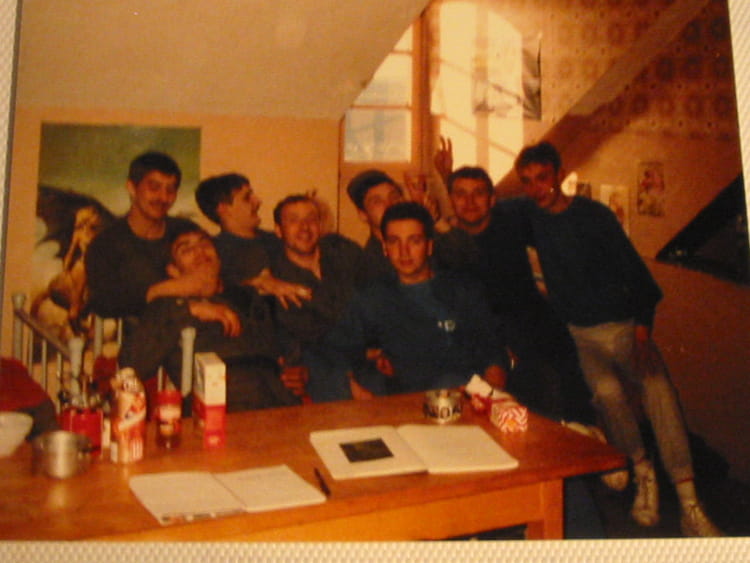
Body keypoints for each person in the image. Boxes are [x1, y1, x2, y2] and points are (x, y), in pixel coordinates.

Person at [514, 140, 721, 537]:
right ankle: (642, 471)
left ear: (559, 175)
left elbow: (639, 278)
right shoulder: (528, 216)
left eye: (542, 178)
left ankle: (690, 504)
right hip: (582, 336)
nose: (536, 188)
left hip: (626, 329)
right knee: (608, 393)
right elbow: (480, 212)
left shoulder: (595, 217)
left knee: (658, 389)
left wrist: (642, 333)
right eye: (527, 181)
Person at [443, 162, 594, 423]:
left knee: (560, 405)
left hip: (533, 330)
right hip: (483, 340)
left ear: (492, 199)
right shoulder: (447, 243)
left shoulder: (512, 219)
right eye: (461, 194)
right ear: (451, 200)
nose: (469, 202)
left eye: (478, 193)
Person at [321, 201, 508, 396]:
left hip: (465, 394)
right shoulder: (373, 297)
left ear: (429, 246)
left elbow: (492, 348)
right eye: (394, 241)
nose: (404, 252)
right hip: (405, 401)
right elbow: (335, 348)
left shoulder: (462, 289)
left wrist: (492, 387)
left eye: (414, 241)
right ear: (385, 247)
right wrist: (357, 377)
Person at [118, 224, 301, 413]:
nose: (199, 251)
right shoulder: (167, 307)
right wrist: (189, 310)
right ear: (173, 271)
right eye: (186, 249)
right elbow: (131, 366)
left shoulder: (248, 295)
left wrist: (296, 371)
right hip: (222, 405)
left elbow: (287, 348)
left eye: (205, 244)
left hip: (280, 401)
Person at [269, 194, 370, 401]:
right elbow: (299, 341)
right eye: (293, 220)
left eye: (311, 219)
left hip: (363, 351)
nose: (304, 227)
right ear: (278, 230)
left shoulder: (344, 254)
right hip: (319, 364)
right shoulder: (275, 278)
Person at [85, 151, 201, 321]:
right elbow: (104, 302)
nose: (163, 197)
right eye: (154, 188)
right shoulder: (106, 245)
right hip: (140, 334)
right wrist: (165, 291)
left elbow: (212, 276)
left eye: (170, 190)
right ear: (132, 188)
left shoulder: (186, 232)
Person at [194, 173, 312, 310]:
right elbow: (214, 291)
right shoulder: (214, 252)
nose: (258, 201)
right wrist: (255, 283)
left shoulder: (277, 238)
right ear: (224, 209)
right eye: (247, 198)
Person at [345, 169, 473, 282]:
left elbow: (469, 258)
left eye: (394, 196)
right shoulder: (370, 265)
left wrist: (436, 220)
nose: (389, 204)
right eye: (377, 202)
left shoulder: (425, 240)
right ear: (363, 214)